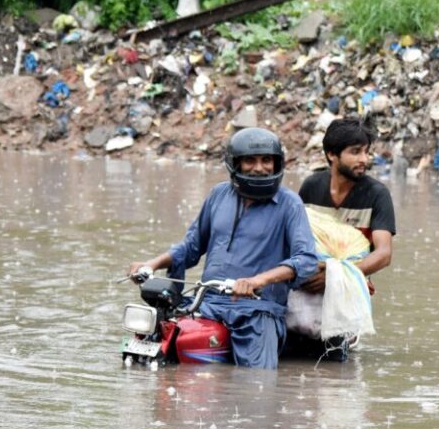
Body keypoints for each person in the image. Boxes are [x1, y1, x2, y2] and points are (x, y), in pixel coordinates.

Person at [128, 127, 318, 369]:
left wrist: (258, 281)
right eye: (250, 160)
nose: (259, 168)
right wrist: (151, 264)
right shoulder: (219, 195)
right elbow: (191, 246)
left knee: (256, 378)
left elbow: (306, 259)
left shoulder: (290, 204)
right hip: (207, 303)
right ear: (235, 164)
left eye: (266, 160)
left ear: (277, 163)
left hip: (257, 311)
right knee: (157, 340)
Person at [287, 118, 396, 360]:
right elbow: (294, 237)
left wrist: (335, 276)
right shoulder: (311, 187)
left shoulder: (377, 195)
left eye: (366, 152)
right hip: (309, 278)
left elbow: (383, 254)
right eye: (355, 152)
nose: (364, 159)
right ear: (331, 155)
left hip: (348, 286)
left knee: (331, 357)